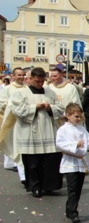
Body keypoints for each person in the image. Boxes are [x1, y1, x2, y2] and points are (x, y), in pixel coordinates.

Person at [11, 67, 65, 197]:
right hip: (30, 131)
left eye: (42, 81)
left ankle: (49, 186)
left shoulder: (50, 92)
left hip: (47, 130)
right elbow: (17, 110)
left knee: (49, 161)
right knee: (32, 163)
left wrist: (49, 107)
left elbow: (60, 108)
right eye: (37, 81)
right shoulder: (21, 93)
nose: (40, 84)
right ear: (30, 79)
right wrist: (35, 107)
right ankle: (35, 187)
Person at [56, 103, 89, 223]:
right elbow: (59, 144)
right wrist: (74, 145)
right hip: (70, 161)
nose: (79, 119)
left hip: (81, 161)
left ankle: (70, 209)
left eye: (80, 117)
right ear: (68, 115)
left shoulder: (82, 129)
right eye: (76, 116)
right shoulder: (62, 129)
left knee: (78, 188)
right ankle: (73, 212)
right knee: (72, 187)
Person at [0, 67, 28, 180]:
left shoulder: (27, 88)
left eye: (22, 75)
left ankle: (20, 166)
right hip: (12, 120)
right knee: (12, 142)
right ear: (13, 76)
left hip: (24, 120)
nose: (21, 77)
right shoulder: (7, 89)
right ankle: (12, 162)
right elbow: (2, 102)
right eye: (19, 75)